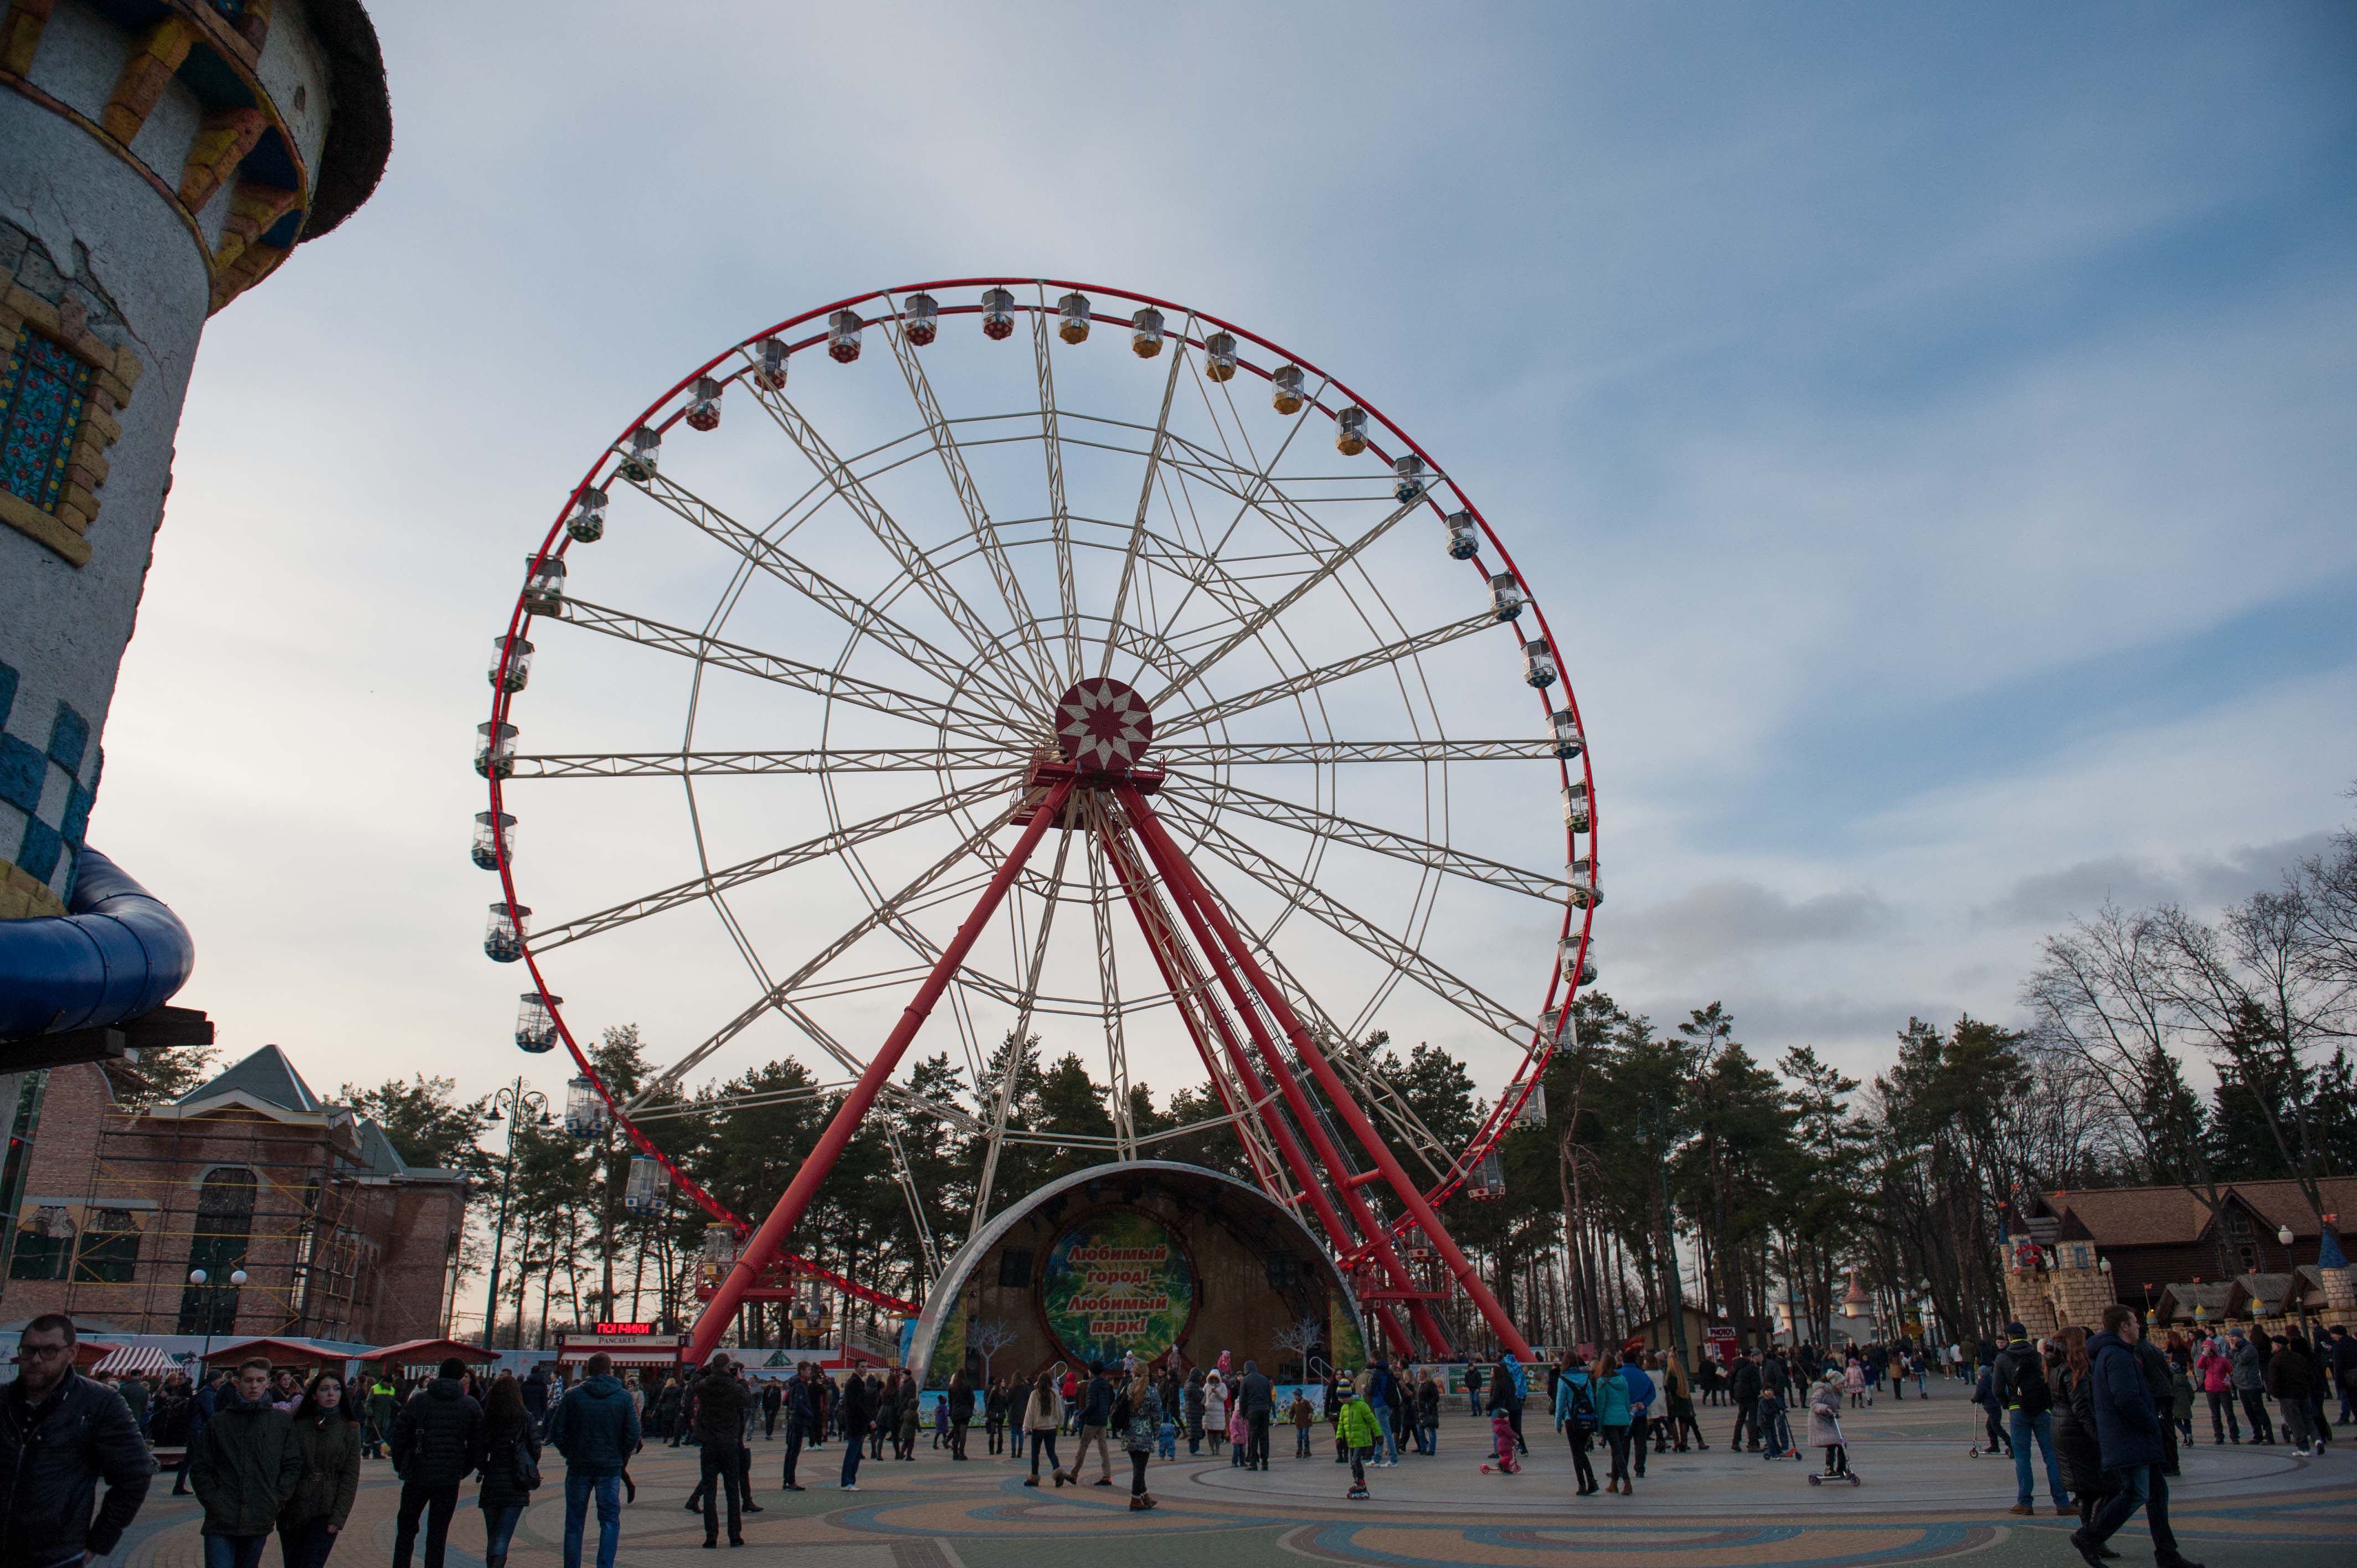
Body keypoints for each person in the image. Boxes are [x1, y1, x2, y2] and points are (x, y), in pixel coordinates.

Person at [0, 1313, 153, 1566]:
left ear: (72, 1353)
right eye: (29, 1350)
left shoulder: (100, 1403)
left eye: (49, 1351)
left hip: (56, 1556)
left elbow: (135, 1476)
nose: (36, 1359)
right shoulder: (4, 1400)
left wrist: (98, 1542)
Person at [2079, 1305, 2205, 1568]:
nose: (2139, 1326)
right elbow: (2126, 1398)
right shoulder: (2117, 1355)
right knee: (2136, 1492)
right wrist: (2151, 1423)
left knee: (2157, 1494)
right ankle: (2090, 1536)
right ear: (2123, 1326)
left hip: (2131, 1436)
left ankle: (2167, 1553)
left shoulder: (2113, 1353)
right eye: (2134, 1322)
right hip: (2130, 1437)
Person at [192, 1356, 303, 1568]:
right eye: (249, 1380)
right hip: (221, 1517)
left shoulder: (281, 1423)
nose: (254, 1386)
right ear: (237, 1382)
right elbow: (201, 1467)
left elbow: (292, 1465)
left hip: (259, 1516)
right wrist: (213, 1500)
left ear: (268, 1383)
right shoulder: (219, 1423)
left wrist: (276, 1500)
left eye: (260, 1381)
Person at [545, 1350, 637, 1568]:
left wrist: (570, 1452)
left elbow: (556, 1431)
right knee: (609, 1521)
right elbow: (633, 1433)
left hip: (579, 1466)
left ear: (588, 1370)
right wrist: (620, 1455)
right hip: (609, 1467)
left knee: (574, 1523)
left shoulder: (573, 1396)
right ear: (609, 1370)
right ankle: (605, 1565)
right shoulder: (623, 1397)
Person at [276, 1371, 361, 1568]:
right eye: (324, 1389)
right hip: (294, 1506)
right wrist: (279, 1504)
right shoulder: (298, 1424)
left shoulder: (350, 1428)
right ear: (314, 1394)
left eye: (336, 1389)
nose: (331, 1394)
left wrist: (339, 1517)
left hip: (326, 1508)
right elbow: (285, 1466)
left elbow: (351, 1474)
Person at [1993, 1323, 2070, 1516]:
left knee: (2022, 1458)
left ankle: (2025, 1502)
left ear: (2010, 1338)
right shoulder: (2038, 1357)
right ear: (2026, 1336)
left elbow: (1996, 1389)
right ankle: (2062, 1502)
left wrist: (2007, 1403)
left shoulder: (2003, 1359)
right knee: (2052, 1457)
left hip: (2018, 1410)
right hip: (2042, 1410)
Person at [474, 1373, 541, 1568]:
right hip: (516, 1484)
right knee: (503, 1537)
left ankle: (492, 1564)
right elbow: (535, 1448)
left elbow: (478, 1452)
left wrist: (485, 1467)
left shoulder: (488, 1419)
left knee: (493, 1535)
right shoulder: (525, 1418)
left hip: (492, 1483)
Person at [1553, 1353, 1600, 1497]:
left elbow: (1560, 1403)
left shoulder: (1563, 1380)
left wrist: (1557, 1423)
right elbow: (1591, 1400)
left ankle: (1584, 1484)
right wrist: (1593, 1418)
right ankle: (1591, 1481)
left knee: (1577, 1453)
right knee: (1581, 1452)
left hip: (1571, 1420)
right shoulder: (1585, 1378)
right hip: (1585, 1418)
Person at [2265, 1332, 2320, 1456]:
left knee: (2295, 1422)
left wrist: (2275, 1394)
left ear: (2278, 1346)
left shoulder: (2276, 1360)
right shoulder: (2299, 1357)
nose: (2272, 1347)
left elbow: (2273, 1380)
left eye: (2273, 1345)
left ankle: (2303, 1448)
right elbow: (2310, 1375)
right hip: (2303, 1394)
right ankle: (2317, 1440)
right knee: (2308, 1419)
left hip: (2288, 1396)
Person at [1119, 1370, 1163, 1510]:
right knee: (1140, 1469)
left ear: (1134, 1374)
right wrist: (1155, 1432)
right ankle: (1135, 1500)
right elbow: (1157, 1415)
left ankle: (1145, 1496)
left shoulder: (1127, 1389)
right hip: (1145, 1433)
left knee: (1138, 1468)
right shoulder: (1151, 1392)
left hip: (1129, 1433)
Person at [1592, 1352, 1634, 1494]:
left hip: (1610, 1420)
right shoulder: (1622, 1380)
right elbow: (1627, 1400)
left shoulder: (1602, 1381)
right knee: (1618, 1451)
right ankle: (1614, 1483)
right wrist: (1628, 1418)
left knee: (1617, 1451)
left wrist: (1599, 1425)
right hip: (1622, 1418)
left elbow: (1601, 1405)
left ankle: (1627, 1482)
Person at [2227, 1330, 2275, 1445]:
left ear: (2239, 1337)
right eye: (2230, 1337)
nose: (2231, 1339)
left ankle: (2269, 1435)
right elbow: (2233, 1362)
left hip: (2252, 1385)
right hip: (2242, 1385)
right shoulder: (2237, 1349)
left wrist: (2233, 1350)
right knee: (2249, 1411)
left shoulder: (2249, 1348)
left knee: (2258, 1410)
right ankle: (2257, 1434)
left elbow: (2242, 1360)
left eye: (2233, 1337)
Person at [1336, 1376, 1379, 1500]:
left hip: (1362, 1440)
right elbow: (1341, 1424)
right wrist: (1339, 1437)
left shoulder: (1361, 1406)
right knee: (1352, 1463)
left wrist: (1378, 1434)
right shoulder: (1344, 1408)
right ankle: (1357, 1481)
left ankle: (1362, 1483)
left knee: (1356, 1461)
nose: (1341, 1401)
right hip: (1351, 1441)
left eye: (1342, 1398)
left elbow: (1372, 1420)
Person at [2193, 1336, 2240, 1444]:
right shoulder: (2206, 1360)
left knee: (2229, 1414)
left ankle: (2234, 1436)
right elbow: (2199, 1366)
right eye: (2204, 1348)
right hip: (2210, 1389)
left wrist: (2228, 1381)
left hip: (2223, 1389)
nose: (2206, 1350)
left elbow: (2231, 1372)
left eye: (2207, 1348)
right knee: (2215, 1415)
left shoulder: (2222, 1360)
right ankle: (2219, 1436)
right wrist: (2204, 1355)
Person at [1808, 1364, 1851, 1478]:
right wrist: (1826, 1409)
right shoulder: (1822, 1390)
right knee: (1832, 1443)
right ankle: (1829, 1469)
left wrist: (1835, 1413)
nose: (1843, 1386)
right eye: (1841, 1383)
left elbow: (1833, 1407)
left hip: (1829, 1420)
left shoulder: (1837, 1393)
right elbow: (1814, 1404)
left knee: (1842, 1443)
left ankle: (1841, 1468)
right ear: (1835, 1383)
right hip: (1819, 1420)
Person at [1022, 1371, 1063, 1488]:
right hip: (1051, 1428)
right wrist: (1059, 1423)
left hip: (1038, 1428)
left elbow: (1030, 1412)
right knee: (1051, 1452)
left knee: (1035, 1453)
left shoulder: (1035, 1394)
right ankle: (1058, 1471)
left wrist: (1026, 1428)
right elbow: (1060, 1411)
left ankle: (1034, 1478)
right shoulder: (1055, 1394)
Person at [1620, 1354, 1655, 1478]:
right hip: (1640, 1414)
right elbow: (1652, 1392)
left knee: (1624, 1442)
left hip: (1625, 1414)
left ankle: (1622, 1467)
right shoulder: (1643, 1375)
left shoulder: (1619, 1375)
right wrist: (1644, 1404)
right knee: (1640, 1442)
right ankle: (1640, 1468)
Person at [836, 1369, 873, 1490]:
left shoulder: (857, 1382)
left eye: (866, 1366)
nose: (865, 1369)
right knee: (853, 1452)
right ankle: (846, 1481)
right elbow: (857, 1405)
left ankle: (850, 1480)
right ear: (857, 1368)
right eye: (862, 1366)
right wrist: (869, 1419)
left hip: (857, 1422)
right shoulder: (854, 1382)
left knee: (856, 1453)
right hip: (855, 1423)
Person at [1235, 1359, 1273, 1472]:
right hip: (1264, 1409)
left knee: (1253, 1436)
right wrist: (1268, 1408)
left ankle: (1253, 1462)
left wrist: (1242, 1413)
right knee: (1264, 1436)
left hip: (1253, 1410)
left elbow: (1243, 1398)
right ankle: (1265, 1462)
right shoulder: (1264, 1379)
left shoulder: (1245, 1380)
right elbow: (1269, 1397)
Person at [1729, 1348, 1763, 1451]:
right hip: (1750, 1396)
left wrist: (1734, 1395)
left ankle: (1735, 1442)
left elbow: (1731, 1381)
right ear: (1750, 1356)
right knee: (1753, 1419)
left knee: (1741, 1418)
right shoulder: (1752, 1367)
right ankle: (1752, 1444)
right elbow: (1756, 1384)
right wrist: (1757, 1394)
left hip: (1739, 1395)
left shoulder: (1736, 1366)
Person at [946, 1370, 975, 1461]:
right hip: (965, 1411)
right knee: (963, 1432)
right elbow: (972, 1398)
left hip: (955, 1411)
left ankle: (955, 1454)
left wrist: (951, 1411)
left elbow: (950, 1400)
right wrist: (971, 1408)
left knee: (956, 1432)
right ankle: (962, 1453)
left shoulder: (952, 1387)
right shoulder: (967, 1386)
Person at [1202, 1370, 1228, 1457]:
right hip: (1208, 1411)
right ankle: (1212, 1449)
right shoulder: (1207, 1386)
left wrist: (1218, 1393)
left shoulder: (1223, 1386)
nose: (1213, 1380)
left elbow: (1225, 1397)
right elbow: (1204, 1396)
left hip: (1218, 1412)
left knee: (1217, 1432)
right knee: (1210, 1432)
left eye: (1215, 1378)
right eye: (1212, 1378)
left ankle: (1218, 1449)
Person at [1416, 1370, 1442, 1456]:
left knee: (1430, 1429)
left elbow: (1436, 1397)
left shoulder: (1431, 1384)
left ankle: (1432, 1449)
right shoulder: (1419, 1384)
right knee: (1420, 1429)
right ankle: (1423, 1448)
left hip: (1430, 1411)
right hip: (1421, 1411)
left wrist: (1429, 1405)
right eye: (1419, 1374)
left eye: (1422, 1374)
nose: (1420, 1375)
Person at [1289, 1390, 1317, 1458]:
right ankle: (1299, 1451)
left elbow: (1311, 1409)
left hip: (1306, 1423)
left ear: (1300, 1396)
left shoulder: (1306, 1402)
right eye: (1294, 1396)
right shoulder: (1294, 1404)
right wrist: (1290, 1419)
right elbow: (1292, 1412)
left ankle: (1307, 1450)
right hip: (1298, 1423)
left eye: (1296, 1396)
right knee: (1299, 1438)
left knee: (1305, 1436)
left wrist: (1310, 1414)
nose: (1295, 1397)